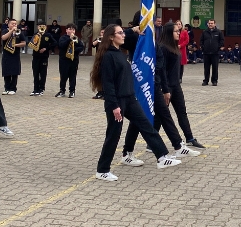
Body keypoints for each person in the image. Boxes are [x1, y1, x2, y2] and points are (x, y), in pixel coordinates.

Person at [91, 24, 182, 181]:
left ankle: (162, 157)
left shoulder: (120, 53)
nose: (123, 35)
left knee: (147, 125)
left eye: (122, 32)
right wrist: (114, 106)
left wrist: (133, 30)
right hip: (117, 102)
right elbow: (108, 84)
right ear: (111, 37)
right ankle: (102, 170)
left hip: (130, 98)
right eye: (120, 33)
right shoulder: (108, 56)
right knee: (113, 135)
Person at [123, 22, 202, 160]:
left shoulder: (164, 47)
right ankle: (130, 151)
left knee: (166, 115)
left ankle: (179, 145)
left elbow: (162, 69)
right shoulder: (148, 45)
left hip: (167, 86)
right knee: (141, 120)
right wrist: (164, 88)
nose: (179, 33)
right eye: (176, 31)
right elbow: (160, 70)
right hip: (150, 87)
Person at [56, 23, 84, 98]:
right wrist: (69, 39)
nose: (71, 31)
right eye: (70, 29)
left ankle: (72, 91)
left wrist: (74, 50)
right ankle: (62, 91)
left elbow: (81, 47)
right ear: (66, 30)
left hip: (74, 60)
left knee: (73, 76)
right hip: (64, 60)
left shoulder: (77, 38)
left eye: (73, 29)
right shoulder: (63, 38)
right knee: (63, 76)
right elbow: (61, 46)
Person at [29, 22, 56, 96]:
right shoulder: (35, 35)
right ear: (38, 27)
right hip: (35, 56)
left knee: (43, 73)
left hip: (44, 57)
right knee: (35, 73)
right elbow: (31, 43)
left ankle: (41, 89)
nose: (41, 27)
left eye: (43, 26)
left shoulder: (48, 35)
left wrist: (46, 48)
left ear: (46, 27)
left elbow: (54, 43)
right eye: (40, 26)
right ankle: (35, 89)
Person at [0, 18, 27, 95]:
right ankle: (7, 88)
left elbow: (24, 43)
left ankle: (13, 88)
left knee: (14, 72)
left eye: (15, 24)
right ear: (8, 24)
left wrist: (16, 45)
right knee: (6, 71)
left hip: (15, 55)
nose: (14, 25)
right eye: (12, 24)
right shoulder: (5, 31)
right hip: (6, 54)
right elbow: (3, 38)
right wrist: (11, 31)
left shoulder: (19, 32)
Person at [200, 19, 224, 86]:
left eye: (212, 23)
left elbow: (222, 41)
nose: (210, 24)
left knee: (215, 68)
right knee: (206, 68)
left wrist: (218, 48)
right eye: (209, 23)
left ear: (215, 24)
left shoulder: (219, 32)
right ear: (207, 24)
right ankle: (206, 81)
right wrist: (203, 47)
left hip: (215, 53)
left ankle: (214, 81)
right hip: (206, 53)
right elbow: (201, 41)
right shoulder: (204, 32)